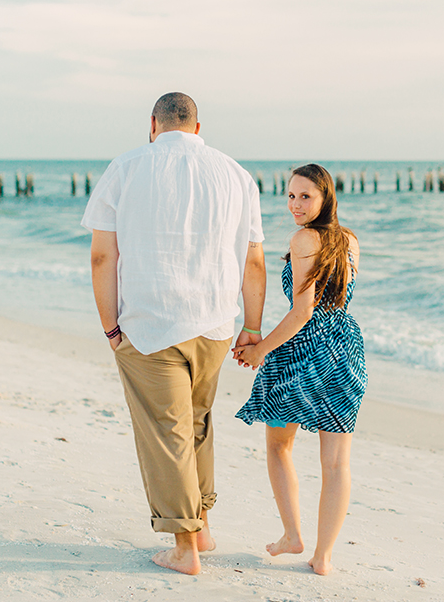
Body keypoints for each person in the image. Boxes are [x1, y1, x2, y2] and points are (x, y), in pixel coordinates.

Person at [82, 92, 267, 575]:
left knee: (167, 432)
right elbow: (253, 260)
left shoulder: (125, 168)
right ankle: (201, 525)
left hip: (149, 323)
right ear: (197, 128)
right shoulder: (236, 175)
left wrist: (110, 328)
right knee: (197, 422)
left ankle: (184, 548)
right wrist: (251, 326)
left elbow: (104, 257)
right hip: (214, 324)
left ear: (153, 124)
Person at [233, 163, 367, 576]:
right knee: (337, 462)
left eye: (305, 196)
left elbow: (304, 311)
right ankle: (323, 557)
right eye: (290, 195)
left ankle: (293, 534)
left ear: (325, 197)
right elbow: (332, 304)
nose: (295, 204)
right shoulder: (350, 241)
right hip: (346, 348)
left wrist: (260, 350)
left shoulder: (303, 238)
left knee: (279, 445)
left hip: (304, 352)